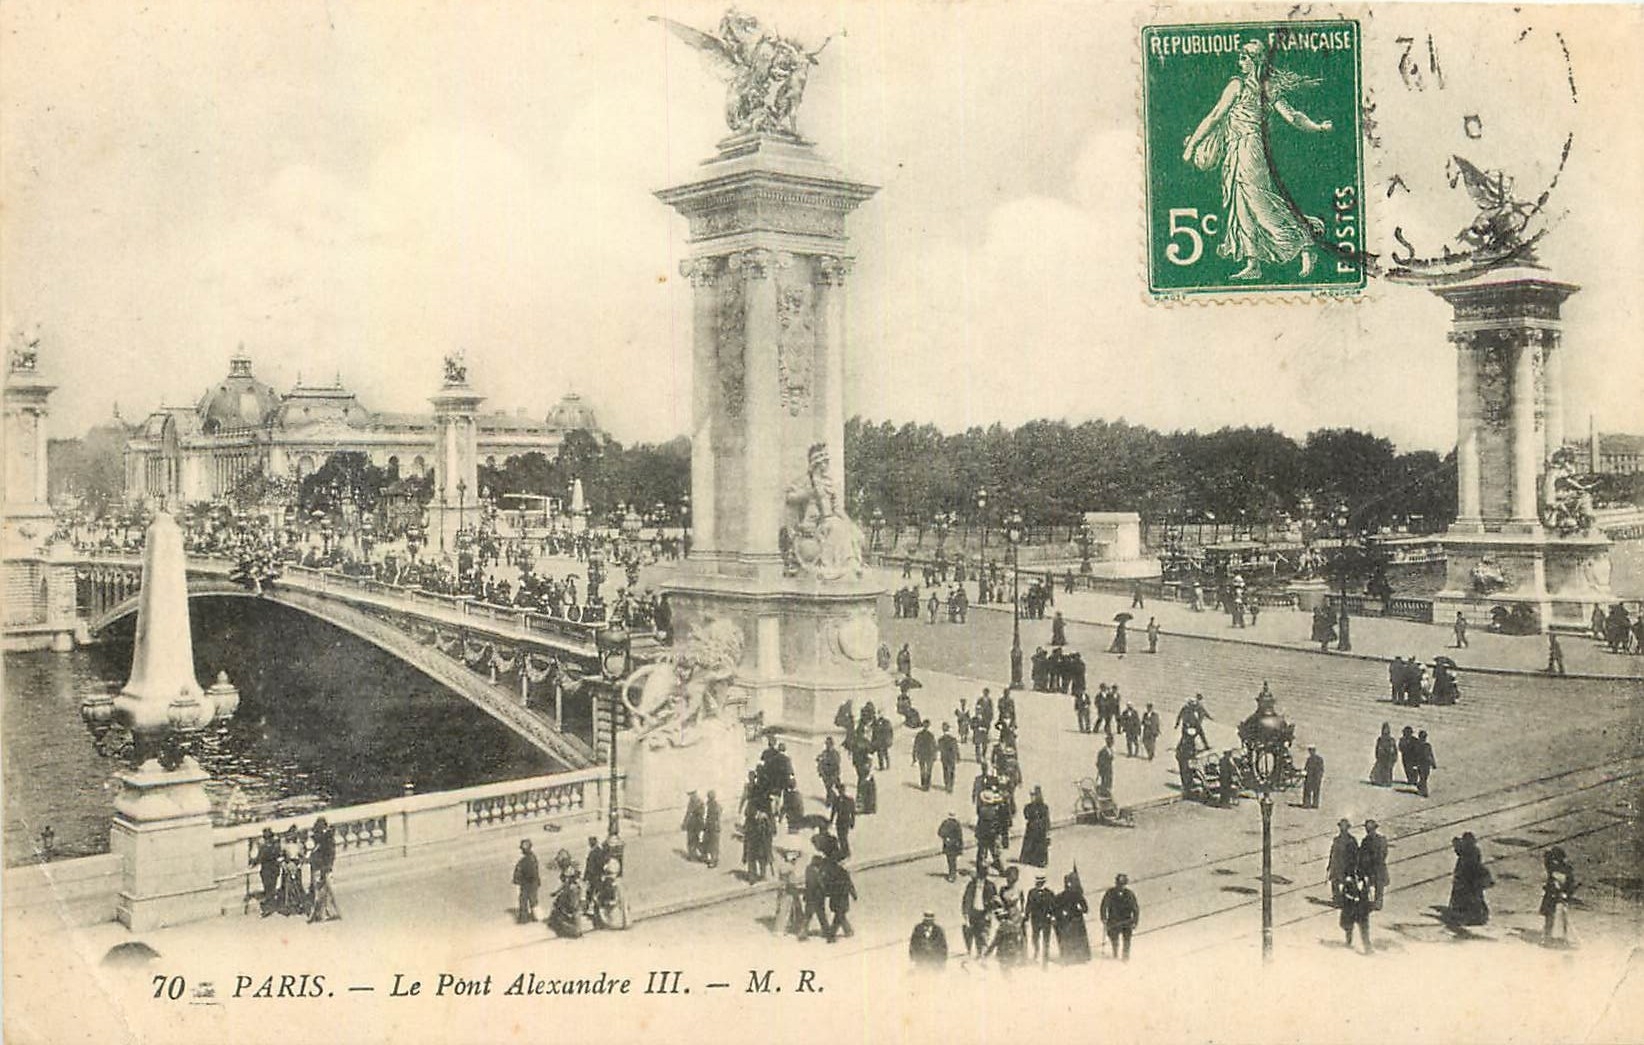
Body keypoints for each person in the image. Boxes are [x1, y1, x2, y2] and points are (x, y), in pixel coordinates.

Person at [1447, 832, 1493, 926]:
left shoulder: (1470, 852)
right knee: (1472, 898)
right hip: (1468, 878)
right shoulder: (1472, 850)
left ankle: (1470, 916)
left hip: (1468, 878)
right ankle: (1474, 915)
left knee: (1468, 898)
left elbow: (1461, 853)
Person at [1539, 846, 1577, 945]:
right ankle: (1547, 937)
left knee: (1562, 918)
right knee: (1549, 918)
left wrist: (1566, 894)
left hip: (1560, 898)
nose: (1554, 862)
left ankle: (1562, 937)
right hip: (1551, 897)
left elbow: (1570, 885)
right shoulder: (1551, 867)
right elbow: (1546, 862)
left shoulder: (1567, 870)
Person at [1053, 871, 1092, 963]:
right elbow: (1085, 908)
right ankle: (1078, 957)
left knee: (1071, 938)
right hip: (1073, 921)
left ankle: (1072, 956)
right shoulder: (1075, 895)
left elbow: (1085, 908)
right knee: (1075, 939)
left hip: (1070, 921)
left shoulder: (1063, 896)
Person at [1099, 873, 1139, 961]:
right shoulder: (1110, 893)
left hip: (1127, 921)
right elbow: (1104, 906)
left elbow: (1135, 908)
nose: (1120, 886)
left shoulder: (1129, 894)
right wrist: (1104, 917)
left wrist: (1135, 921)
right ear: (1116, 883)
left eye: (1122, 884)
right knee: (1114, 940)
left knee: (1127, 941)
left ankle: (1125, 958)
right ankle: (1115, 955)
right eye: (1119, 884)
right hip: (1114, 921)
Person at [961, 865, 997, 958]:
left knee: (983, 934)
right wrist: (965, 914)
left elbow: (994, 901)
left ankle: (982, 954)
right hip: (974, 912)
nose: (979, 881)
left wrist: (990, 913)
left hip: (984, 913)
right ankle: (974, 952)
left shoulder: (990, 886)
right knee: (973, 933)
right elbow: (966, 899)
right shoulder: (971, 885)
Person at [1025, 874, 1057, 966]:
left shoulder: (1049, 893)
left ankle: (1045, 958)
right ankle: (1036, 952)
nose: (1039, 883)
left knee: (1046, 939)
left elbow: (1054, 906)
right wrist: (1026, 916)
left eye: (1041, 881)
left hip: (1046, 919)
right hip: (1035, 919)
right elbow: (1028, 905)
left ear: (1044, 882)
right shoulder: (1032, 892)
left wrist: (1053, 916)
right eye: (1037, 881)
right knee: (1035, 938)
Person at [1358, 819, 1390, 909]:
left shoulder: (1369, 840)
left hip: (1374, 867)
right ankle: (1374, 903)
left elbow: (1363, 855)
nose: (1368, 831)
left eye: (1369, 829)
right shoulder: (1379, 839)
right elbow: (1384, 853)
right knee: (1375, 886)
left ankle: (1374, 903)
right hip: (1375, 867)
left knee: (1375, 885)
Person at [250, 827, 281, 917]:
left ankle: (268, 908)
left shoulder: (264, 848)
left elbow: (259, 858)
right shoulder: (276, 845)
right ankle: (272, 906)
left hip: (267, 869)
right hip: (275, 869)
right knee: (272, 888)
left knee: (268, 889)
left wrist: (253, 863)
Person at [1340, 870, 1373, 953]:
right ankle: (1348, 942)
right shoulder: (1348, 881)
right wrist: (1353, 898)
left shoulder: (1365, 882)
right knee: (1349, 928)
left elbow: (1368, 894)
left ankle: (1367, 948)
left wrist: (1369, 904)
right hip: (1352, 909)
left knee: (1364, 929)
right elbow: (1344, 894)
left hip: (1362, 910)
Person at [1327, 819, 1359, 906]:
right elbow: (1332, 853)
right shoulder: (1336, 839)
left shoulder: (1351, 840)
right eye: (1341, 827)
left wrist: (1354, 866)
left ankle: (1346, 900)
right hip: (1337, 865)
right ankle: (1337, 900)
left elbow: (1356, 854)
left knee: (1347, 884)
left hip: (1347, 866)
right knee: (1335, 883)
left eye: (1344, 827)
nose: (1342, 829)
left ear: (1347, 828)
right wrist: (1329, 865)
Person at [826, 858, 857, 941]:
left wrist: (828, 894)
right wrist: (854, 894)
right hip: (842, 897)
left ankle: (848, 930)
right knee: (839, 915)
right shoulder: (843, 872)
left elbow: (828, 886)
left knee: (840, 914)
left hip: (835, 898)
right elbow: (849, 884)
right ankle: (831, 935)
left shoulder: (830, 873)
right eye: (842, 862)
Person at [1019, 786, 1051, 867]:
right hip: (1031, 827)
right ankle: (1029, 859)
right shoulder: (1028, 807)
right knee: (1030, 844)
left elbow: (1047, 819)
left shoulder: (1044, 807)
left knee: (1040, 845)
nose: (1032, 797)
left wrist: (1048, 832)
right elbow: (1026, 816)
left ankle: (1040, 861)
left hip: (1040, 828)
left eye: (1034, 795)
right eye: (1031, 795)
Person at [547, 870, 585, 938]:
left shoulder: (576, 886)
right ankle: (565, 931)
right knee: (560, 916)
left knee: (574, 918)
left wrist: (579, 903)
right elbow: (560, 889)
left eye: (572, 877)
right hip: (565, 903)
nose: (570, 879)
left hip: (572, 904)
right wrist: (555, 893)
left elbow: (579, 897)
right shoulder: (568, 884)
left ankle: (574, 931)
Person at [512, 839, 541, 924]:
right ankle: (534, 917)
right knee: (531, 900)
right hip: (531, 883)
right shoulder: (531, 858)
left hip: (528, 883)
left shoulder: (527, 860)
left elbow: (530, 872)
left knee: (525, 900)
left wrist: (519, 879)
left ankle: (525, 918)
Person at [938, 812, 966, 882]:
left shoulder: (945, 823)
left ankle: (952, 874)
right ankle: (952, 874)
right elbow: (960, 836)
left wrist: (946, 838)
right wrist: (961, 846)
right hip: (955, 845)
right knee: (953, 860)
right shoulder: (957, 824)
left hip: (947, 845)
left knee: (949, 860)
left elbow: (940, 832)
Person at [831, 782, 856, 858]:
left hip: (846, 821)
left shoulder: (849, 800)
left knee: (843, 837)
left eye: (842, 790)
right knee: (840, 837)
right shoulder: (836, 800)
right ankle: (843, 851)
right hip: (839, 821)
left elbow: (853, 813)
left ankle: (846, 852)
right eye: (839, 791)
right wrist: (831, 820)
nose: (841, 792)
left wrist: (852, 822)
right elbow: (834, 811)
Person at [912, 720, 937, 791]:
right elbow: (934, 746)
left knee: (922, 769)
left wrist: (914, 756)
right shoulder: (931, 735)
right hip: (929, 755)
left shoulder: (919, 735)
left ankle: (923, 784)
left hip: (922, 755)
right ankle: (927, 785)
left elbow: (915, 746)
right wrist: (935, 755)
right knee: (928, 770)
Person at [682, 790, 706, 862]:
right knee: (698, 840)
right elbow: (703, 812)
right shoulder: (700, 801)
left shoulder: (692, 802)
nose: (689, 796)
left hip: (693, 824)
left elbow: (688, 813)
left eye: (690, 794)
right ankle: (703, 855)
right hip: (699, 823)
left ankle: (692, 856)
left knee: (691, 840)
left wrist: (684, 823)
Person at [1412, 729, 1437, 797]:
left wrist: (1433, 763)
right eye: (1422, 737)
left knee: (1425, 777)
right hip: (1420, 764)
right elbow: (1414, 755)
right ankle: (1424, 792)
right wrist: (1414, 764)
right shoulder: (1417, 746)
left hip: (1427, 764)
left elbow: (1431, 754)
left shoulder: (1427, 745)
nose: (1424, 739)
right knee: (1423, 777)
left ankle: (1420, 786)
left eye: (1424, 737)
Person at [937, 723, 961, 792]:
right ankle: (951, 785)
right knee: (952, 771)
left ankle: (947, 784)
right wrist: (958, 756)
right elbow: (956, 749)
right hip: (952, 757)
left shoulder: (940, 739)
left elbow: (938, 748)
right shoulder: (953, 739)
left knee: (945, 771)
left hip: (944, 757)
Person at [703, 790, 722, 868]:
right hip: (715, 827)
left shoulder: (710, 805)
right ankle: (714, 860)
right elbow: (720, 811)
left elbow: (707, 815)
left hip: (711, 827)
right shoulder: (716, 805)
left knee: (711, 844)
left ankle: (712, 861)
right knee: (714, 844)